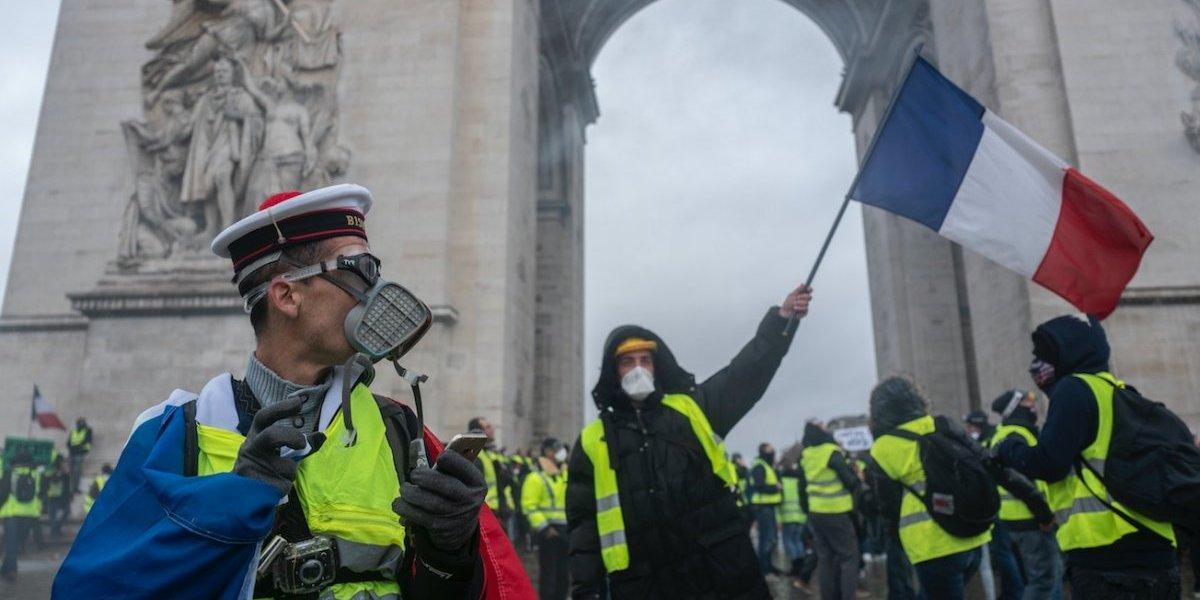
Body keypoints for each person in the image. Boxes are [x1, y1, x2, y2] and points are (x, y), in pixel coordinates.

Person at [54, 185, 532, 598]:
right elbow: (94, 590)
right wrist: (231, 505)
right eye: (359, 269)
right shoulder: (174, 434)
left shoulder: (398, 429)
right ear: (287, 295)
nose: (377, 289)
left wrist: (450, 550)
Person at [566, 284, 813, 599]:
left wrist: (781, 320)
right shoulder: (592, 440)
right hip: (646, 583)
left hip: (718, 571)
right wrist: (586, 591)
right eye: (628, 362)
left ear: (657, 367)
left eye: (645, 360)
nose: (638, 369)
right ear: (614, 372)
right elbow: (583, 528)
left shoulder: (692, 410)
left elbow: (746, 374)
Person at [994, 315, 1178, 598]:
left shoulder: (1074, 389)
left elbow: (1049, 464)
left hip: (1107, 556)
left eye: (1042, 357)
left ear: (1065, 354)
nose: (1036, 367)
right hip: (1155, 549)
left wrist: (1010, 448)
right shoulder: (1117, 390)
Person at [867, 377, 1052, 600]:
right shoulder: (942, 424)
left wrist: (898, 546)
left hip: (930, 548)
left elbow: (889, 509)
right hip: (974, 537)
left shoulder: (882, 448)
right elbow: (994, 466)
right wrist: (1038, 504)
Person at [988, 389, 1062, 600]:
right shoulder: (1017, 435)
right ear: (1014, 407)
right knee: (1044, 582)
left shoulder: (1005, 433)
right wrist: (1043, 514)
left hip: (1016, 519)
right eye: (1027, 401)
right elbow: (1020, 482)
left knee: (1038, 580)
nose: (1033, 405)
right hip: (1031, 520)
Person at [799, 421, 863, 600]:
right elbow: (850, 482)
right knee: (849, 557)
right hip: (836, 512)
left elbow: (802, 487)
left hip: (816, 513)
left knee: (825, 558)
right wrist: (857, 476)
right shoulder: (831, 452)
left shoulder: (806, 455)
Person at [963, 411, 1022, 600]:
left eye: (970, 427)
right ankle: (1012, 591)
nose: (968, 430)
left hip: (997, 507)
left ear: (977, 426)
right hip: (1001, 506)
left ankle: (1014, 592)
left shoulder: (986, 442)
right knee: (1005, 554)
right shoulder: (990, 437)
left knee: (1003, 554)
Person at [523, 438, 570, 600]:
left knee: (563, 577)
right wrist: (545, 528)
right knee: (549, 576)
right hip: (549, 533)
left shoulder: (564, 474)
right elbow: (529, 506)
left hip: (566, 531)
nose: (561, 453)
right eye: (557, 449)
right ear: (548, 452)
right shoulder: (535, 477)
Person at [0, 452, 43, 582]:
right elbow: (40, 492)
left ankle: (12, 570)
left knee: (10, 543)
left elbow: (2, 493)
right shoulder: (36, 474)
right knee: (18, 542)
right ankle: (6, 568)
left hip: (11, 513)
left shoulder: (9, 473)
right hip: (30, 514)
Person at [470, 416, 515, 537]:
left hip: (495, 513)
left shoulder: (487, 454)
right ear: (479, 432)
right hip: (485, 515)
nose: (492, 429)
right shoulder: (477, 457)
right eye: (487, 427)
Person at [749, 442, 783, 576]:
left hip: (768, 507)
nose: (773, 452)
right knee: (766, 540)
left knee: (769, 539)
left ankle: (768, 566)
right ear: (763, 451)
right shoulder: (759, 465)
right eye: (770, 449)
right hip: (763, 508)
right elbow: (759, 485)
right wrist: (776, 488)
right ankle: (764, 570)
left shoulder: (767, 465)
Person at [777, 459, 811, 591]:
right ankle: (802, 566)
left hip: (787, 516)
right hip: (800, 516)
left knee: (789, 542)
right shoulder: (798, 481)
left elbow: (780, 501)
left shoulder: (782, 483)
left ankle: (795, 567)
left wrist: (778, 518)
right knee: (798, 541)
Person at [43, 455, 70, 537]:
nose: (64, 464)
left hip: (61, 496)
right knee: (53, 516)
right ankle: (54, 532)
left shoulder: (63, 472)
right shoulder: (52, 470)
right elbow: (51, 480)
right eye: (63, 462)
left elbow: (66, 483)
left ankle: (56, 529)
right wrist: (60, 474)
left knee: (65, 512)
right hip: (53, 496)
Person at [67, 417, 92, 496]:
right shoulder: (73, 431)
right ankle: (70, 488)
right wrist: (73, 447)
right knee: (70, 471)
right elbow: (68, 443)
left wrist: (75, 446)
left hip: (80, 454)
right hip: (72, 454)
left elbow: (86, 442)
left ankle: (75, 488)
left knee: (77, 472)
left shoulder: (87, 431)